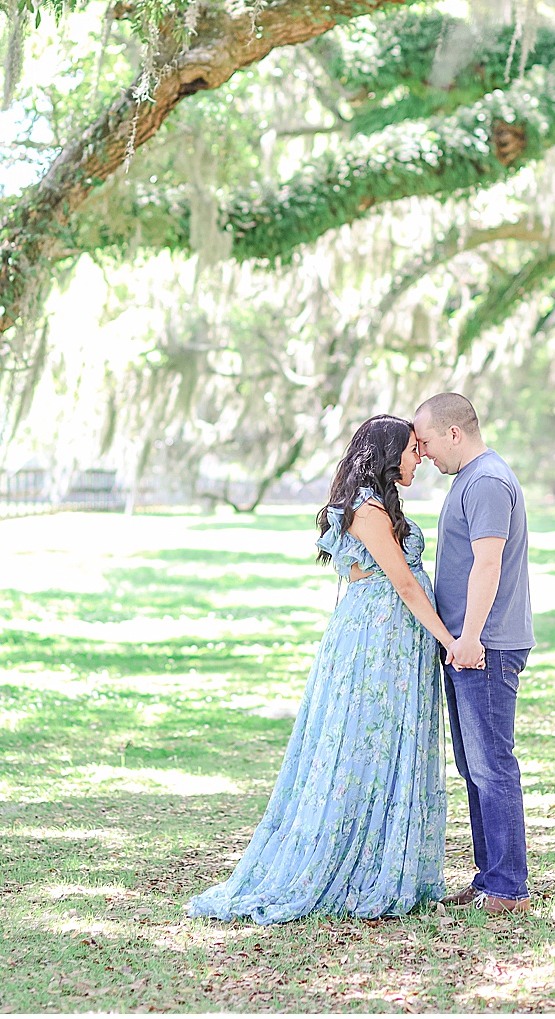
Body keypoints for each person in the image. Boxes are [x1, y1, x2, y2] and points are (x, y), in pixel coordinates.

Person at [186, 413, 482, 926]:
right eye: (413, 449)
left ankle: (391, 860)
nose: (420, 457)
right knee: (362, 744)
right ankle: (350, 860)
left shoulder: (382, 503)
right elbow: (404, 585)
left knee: (391, 743)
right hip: (376, 643)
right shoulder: (366, 508)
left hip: (398, 641)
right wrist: (450, 640)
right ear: (390, 455)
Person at [413, 392, 535, 916]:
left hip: (484, 646)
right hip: (468, 645)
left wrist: (469, 639)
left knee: (492, 766)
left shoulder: (485, 480)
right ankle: (491, 878)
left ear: (454, 434)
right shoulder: (471, 478)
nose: (423, 453)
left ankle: (508, 888)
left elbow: (488, 564)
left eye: (427, 442)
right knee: (476, 766)